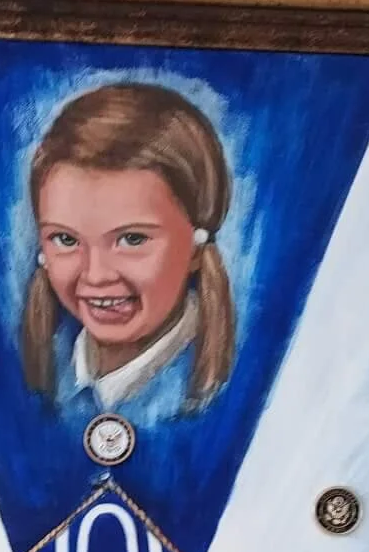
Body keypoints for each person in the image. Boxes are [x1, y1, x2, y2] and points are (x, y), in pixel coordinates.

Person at [20, 83, 237, 422]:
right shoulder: (36, 386)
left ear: (196, 246)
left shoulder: (229, 399)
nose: (95, 275)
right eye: (65, 239)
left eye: (132, 239)